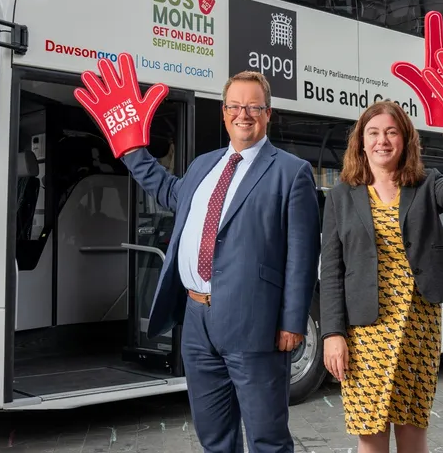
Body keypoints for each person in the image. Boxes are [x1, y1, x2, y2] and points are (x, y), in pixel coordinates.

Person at [119, 70, 321, 453]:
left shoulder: (291, 172)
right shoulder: (203, 165)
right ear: (224, 112)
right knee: (214, 438)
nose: (243, 114)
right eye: (235, 106)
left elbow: (302, 253)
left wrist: (293, 322)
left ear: (267, 113)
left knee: (267, 440)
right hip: (196, 320)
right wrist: (132, 151)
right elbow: (169, 191)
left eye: (253, 107)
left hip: (255, 322)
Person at [319, 101, 443, 453]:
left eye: (391, 132)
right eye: (373, 133)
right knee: (369, 429)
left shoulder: (425, 184)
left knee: (412, 425)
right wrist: (332, 334)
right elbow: (331, 271)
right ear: (361, 142)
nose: (382, 141)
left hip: (418, 323)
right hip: (365, 330)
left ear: (405, 139)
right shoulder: (341, 196)